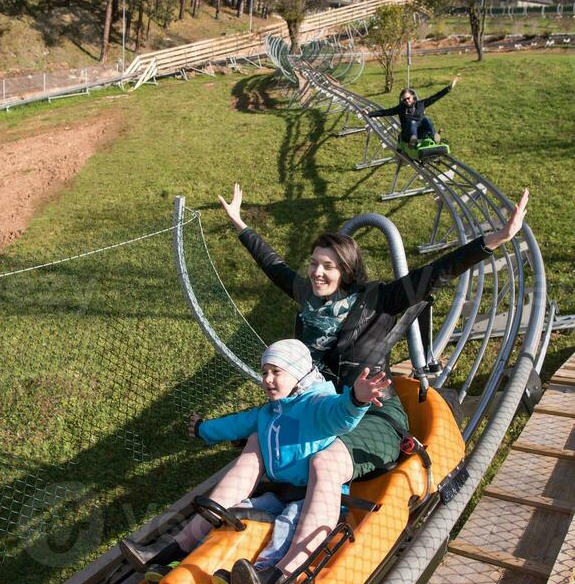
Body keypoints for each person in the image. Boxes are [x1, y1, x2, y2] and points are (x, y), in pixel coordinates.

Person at [217, 182, 529, 487]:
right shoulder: (309, 299)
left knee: (319, 461)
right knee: (262, 442)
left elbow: (434, 273)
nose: (316, 273)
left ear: (346, 270)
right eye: (313, 264)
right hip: (321, 409)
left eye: (327, 266)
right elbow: (275, 266)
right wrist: (241, 224)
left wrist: (495, 239)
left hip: (370, 411)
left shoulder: (379, 300)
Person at [120, 339, 391, 584]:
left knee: (287, 526)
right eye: (264, 372)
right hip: (277, 494)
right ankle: (177, 557)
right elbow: (235, 424)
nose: (268, 380)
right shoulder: (269, 412)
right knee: (234, 512)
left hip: (309, 500)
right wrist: (204, 429)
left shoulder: (316, 405)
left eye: (276, 372)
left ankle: (268, 579)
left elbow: (340, 413)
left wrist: (356, 399)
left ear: (298, 374)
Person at [366, 76, 459, 146]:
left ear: (413, 97)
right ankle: (413, 141)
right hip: (408, 135)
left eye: (408, 98)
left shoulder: (421, 104)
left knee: (426, 119)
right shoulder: (401, 108)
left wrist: (449, 88)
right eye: (404, 100)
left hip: (421, 133)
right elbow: (385, 112)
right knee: (413, 123)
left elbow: (435, 97)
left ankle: (434, 136)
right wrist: (369, 114)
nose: (407, 101)